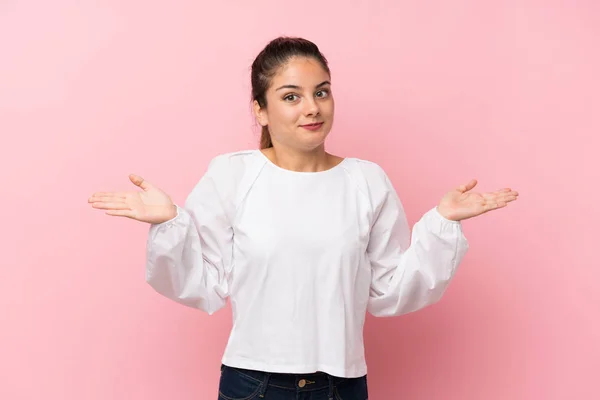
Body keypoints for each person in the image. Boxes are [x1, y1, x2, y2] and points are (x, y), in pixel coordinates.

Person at [88, 37, 518, 400]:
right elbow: (203, 284)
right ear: (260, 110)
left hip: (344, 384)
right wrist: (169, 226)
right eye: (291, 96)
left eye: (322, 91)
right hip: (254, 383)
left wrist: (442, 223)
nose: (311, 108)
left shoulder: (367, 180)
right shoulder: (233, 175)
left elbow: (389, 289)